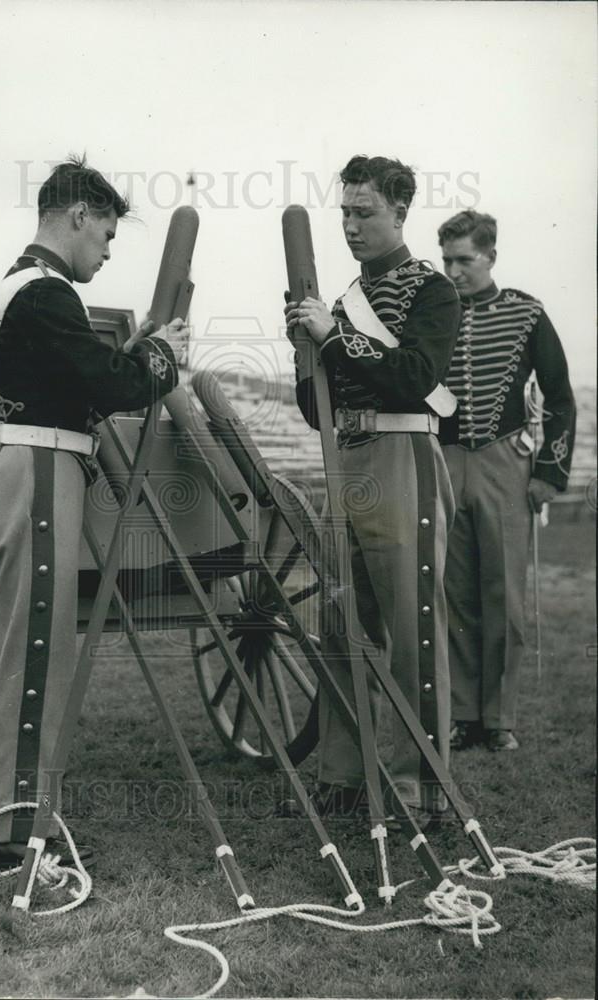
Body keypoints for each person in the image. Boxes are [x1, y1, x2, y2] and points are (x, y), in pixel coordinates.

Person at [0, 155, 188, 873]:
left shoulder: (23, 290)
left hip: (14, 471)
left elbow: (73, 381)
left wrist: (132, 351)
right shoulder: (47, 294)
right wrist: (159, 356)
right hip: (37, 475)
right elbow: (111, 384)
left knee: (20, 652)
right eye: (107, 232)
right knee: (35, 659)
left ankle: (8, 812)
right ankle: (4, 833)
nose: (109, 248)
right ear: (77, 215)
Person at [284, 155, 461, 827]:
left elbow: (415, 376)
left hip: (401, 455)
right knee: (340, 624)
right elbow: (314, 410)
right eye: (345, 214)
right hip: (345, 456)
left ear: (399, 214)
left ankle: (421, 787)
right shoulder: (337, 304)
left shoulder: (431, 290)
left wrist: (334, 338)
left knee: (412, 625)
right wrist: (308, 350)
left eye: (365, 214)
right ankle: (343, 774)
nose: (351, 227)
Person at [438, 210, 576, 752]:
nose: (453, 271)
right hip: (446, 461)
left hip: (503, 465)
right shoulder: (435, 313)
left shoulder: (525, 314)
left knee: (504, 597)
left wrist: (549, 475)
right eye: (446, 260)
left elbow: (560, 396)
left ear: (490, 257)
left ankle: (500, 720)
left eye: (464, 260)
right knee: (453, 595)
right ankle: (463, 715)